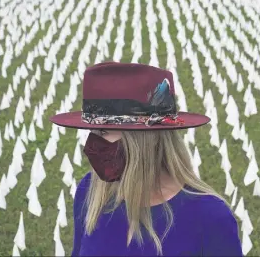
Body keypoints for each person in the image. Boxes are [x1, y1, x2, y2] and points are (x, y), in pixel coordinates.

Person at [49, 61, 243, 256]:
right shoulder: (91, 191)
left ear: (142, 141)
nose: (91, 145)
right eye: (91, 131)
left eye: (102, 131)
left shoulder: (210, 218)